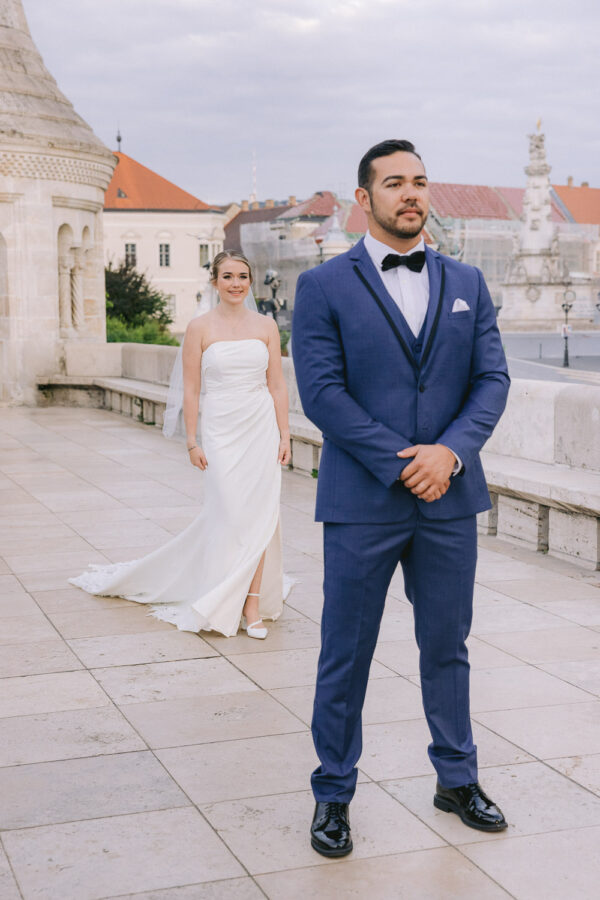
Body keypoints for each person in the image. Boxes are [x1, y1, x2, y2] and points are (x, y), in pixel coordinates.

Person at [292, 140, 510, 857]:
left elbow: (491, 381)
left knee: (447, 646)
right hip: (362, 500)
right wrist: (401, 463)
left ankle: (456, 778)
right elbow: (322, 393)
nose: (411, 194)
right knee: (345, 652)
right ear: (365, 198)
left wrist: (449, 452)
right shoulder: (323, 287)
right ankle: (333, 794)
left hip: (450, 498)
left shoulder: (469, 282)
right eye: (394, 183)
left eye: (419, 182)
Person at [70, 250, 291, 639]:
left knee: (260, 517)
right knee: (230, 512)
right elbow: (191, 388)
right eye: (227, 276)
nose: (236, 283)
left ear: (250, 281)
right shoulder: (199, 327)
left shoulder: (267, 326)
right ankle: (222, 588)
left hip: (260, 429)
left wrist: (285, 434)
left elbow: (276, 385)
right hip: (222, 429)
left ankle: (250, 603)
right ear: (215, 281)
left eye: (242, 276)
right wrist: (192, 440)